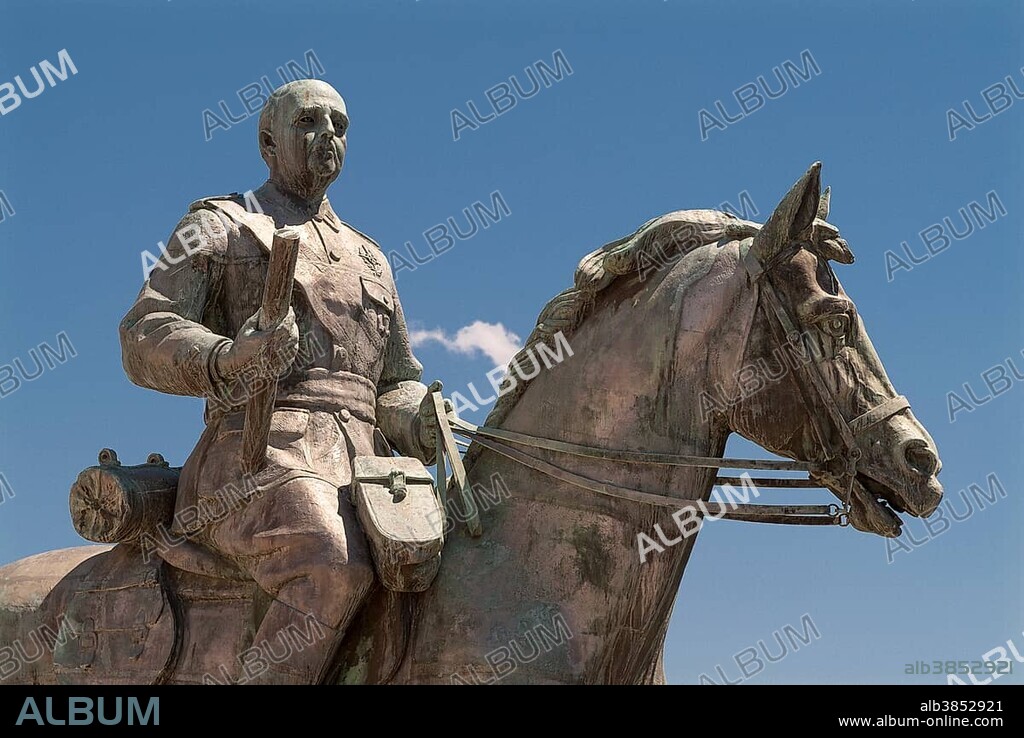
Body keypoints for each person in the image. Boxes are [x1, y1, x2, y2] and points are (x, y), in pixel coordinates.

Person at [120, 79, 442, 684]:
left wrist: (419, 417)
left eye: (340, 126)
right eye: (310, 123)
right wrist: (229, 356)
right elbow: (142, 334)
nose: (329, 137)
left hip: (369, 471)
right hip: (251, 457)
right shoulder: (220, 224)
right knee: (331, 561)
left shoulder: (371, 257)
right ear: (268, 143)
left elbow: (394, 383)